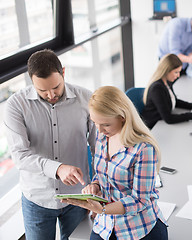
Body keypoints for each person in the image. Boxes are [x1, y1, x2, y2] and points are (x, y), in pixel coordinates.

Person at [4, 49, 96, 240]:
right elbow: (20, 155)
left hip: (78, 197)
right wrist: (58, 168)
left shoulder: (86, 98)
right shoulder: (16, 105)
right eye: (42, 90)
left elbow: (100, 147)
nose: (51, 94)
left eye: (56, 87)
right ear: (31, 81)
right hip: (37, 199)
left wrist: (99, 188)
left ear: (63, 72)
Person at [61, 86, 168, 240]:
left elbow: (140, 200)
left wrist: (104, 209)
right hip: (105, 224)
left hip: (137, 228)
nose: (99, 129)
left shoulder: (143, 149)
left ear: (122, 117)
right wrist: (95, 185)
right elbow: (102, 174)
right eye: (95, 123)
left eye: (105, 124)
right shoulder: (103, 137)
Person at [141, 54, 192, 129]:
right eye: (176, 72)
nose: (178, 75)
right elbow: (169, 119)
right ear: (166, 71)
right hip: (153, 127)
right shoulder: (157, 88)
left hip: (161, 124)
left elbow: (174, 101)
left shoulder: (166, 83)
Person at [158, 7, 192, 72]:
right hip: (167, 63)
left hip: (182, 64)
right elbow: (174, 53)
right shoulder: (177, 24)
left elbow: (190, 50)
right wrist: (190, 59)